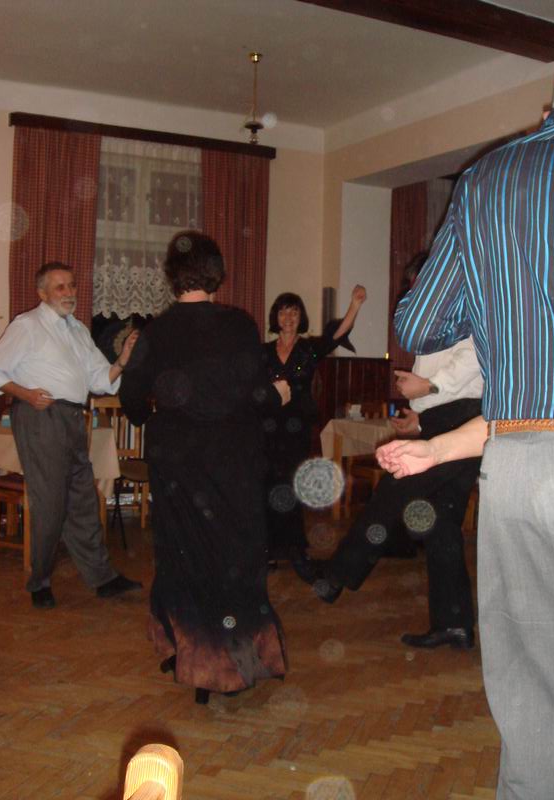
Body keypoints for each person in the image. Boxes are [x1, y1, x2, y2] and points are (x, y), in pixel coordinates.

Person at [384, 46, 554, 800]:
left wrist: (506, 294)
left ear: (549, 107)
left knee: (537, 699)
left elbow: (422, 323)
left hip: (527, 463)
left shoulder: (490, 176)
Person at [119, 230, 290, 704]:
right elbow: (255, 394)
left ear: (172, 277)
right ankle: (235, 663)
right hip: (232, 459)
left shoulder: (157, 332)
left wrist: (163, 411)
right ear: (217, 274)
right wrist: (277, 396)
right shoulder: (238, 325)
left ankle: (184, 649)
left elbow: (131, 403)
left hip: (178, 462)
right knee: (236, 557)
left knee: (182, 554)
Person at [295, 335, 483, 653]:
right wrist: (422, 418)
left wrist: (429, 387)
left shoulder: (468, 303)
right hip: (452, 417)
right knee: (442, 523)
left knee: (393, 490)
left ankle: (337, 574)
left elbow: (474, 357)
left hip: (463, 419)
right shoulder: (443, 311)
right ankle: (454, 622)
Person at [0, 262, 142, 609]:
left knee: (83, 499)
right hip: (41, 415)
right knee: (50, 503)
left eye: (72, 285)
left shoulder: (77, 329)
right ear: (42, 293)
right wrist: (25, 394)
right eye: (60, 286)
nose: (69, 292)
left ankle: (102, 578)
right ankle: (40, 582)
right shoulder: (27, 325)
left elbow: (99, 379)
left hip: (75, 418)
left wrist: (122, 360)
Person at [263, 285, 366, 565]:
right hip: (268, 427)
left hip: (297, 427)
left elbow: (337, 335)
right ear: (276, 317)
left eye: (294, 312)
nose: (288, 317)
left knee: (292, 482)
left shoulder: (308, 349)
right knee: (270, 484)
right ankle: (270, 548)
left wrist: (355, 305)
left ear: (301, 318)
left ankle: (294, 546)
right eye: (283, 312)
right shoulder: (264, 351)